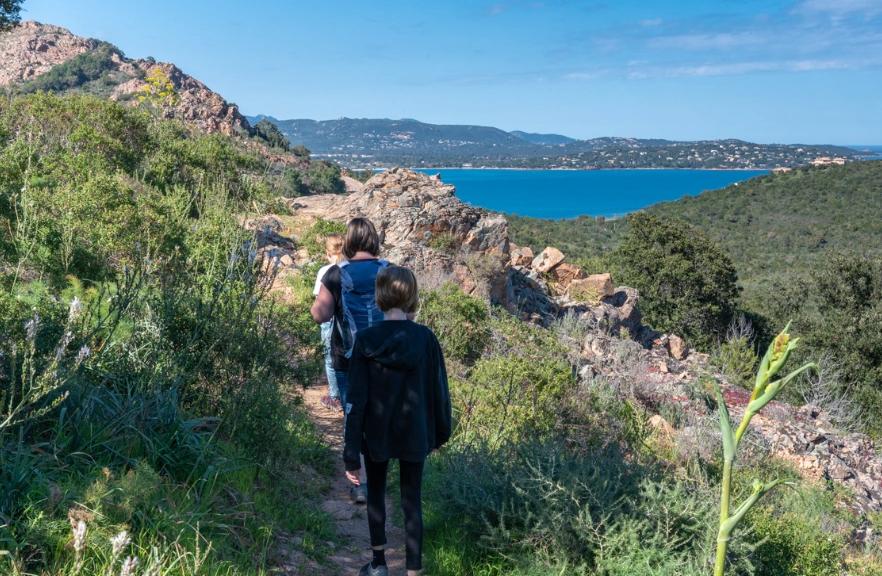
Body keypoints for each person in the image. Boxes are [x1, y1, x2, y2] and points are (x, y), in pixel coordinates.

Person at [343, 266, 452, 576]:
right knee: (411, 500)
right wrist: (439, 434)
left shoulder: (365, 340)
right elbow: (438, 392)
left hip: (375, 431)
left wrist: (351, 452)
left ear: (380, 296)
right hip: (415, 431)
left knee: (375, 492)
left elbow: (356, 400)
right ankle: (413, 571)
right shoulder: (426, 339)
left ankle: (378, 564)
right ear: (412, 297)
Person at [311, 217, 387, 503]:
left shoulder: (334, 273)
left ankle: (360, 482)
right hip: (384, 359)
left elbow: (322, 315)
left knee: (354, 415)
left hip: (347, 358)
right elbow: (407, 316)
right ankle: (381, 475)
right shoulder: (390, 271)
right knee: (380, 414)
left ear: (349, 241)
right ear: (374, 240)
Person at [313, 234, 345, 411]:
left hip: (328, 319)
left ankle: (335, 397)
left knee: (330, 358)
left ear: (327, 253)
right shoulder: (349, 268)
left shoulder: (324, 271)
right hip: (346, 320)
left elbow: (319, 300)